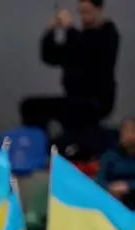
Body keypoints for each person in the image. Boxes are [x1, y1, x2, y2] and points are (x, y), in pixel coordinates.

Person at [21, 0, 120, 158]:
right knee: (30, 107)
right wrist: (50, 31)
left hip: (96, 100)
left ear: (99, 9)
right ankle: (37, 150)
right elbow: (51, 57)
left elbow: (89, 52)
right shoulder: (79, 37)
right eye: (81, 13)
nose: (84, 17)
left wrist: (70, 28)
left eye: (88, 12)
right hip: (73, 98)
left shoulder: (108, 34)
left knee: (75, 117)